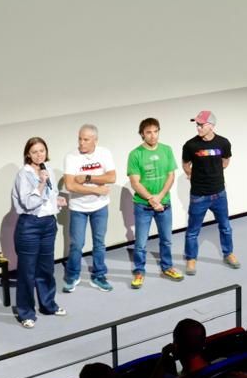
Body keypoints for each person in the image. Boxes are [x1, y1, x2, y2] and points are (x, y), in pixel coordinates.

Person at [12, 136, 67, 327]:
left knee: (46, 268)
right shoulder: (23, 174)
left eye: (42, 151)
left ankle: (48, 305)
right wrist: (41, 183)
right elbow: (28, 202)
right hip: (30, 226)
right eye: (34, 152)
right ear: (28, 154)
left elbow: (50, 195)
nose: (39, 155)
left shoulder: (48, 169)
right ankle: (26, 312)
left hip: (48, 224)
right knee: (27, 272)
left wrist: (57, 201)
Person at [127, 117, 184, 289]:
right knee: (141, 243)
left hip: (164, 204)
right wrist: (152, 200)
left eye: (155, 131)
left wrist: (159, 197)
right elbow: (135, 182)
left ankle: (167, 267)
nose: (152, 136)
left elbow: (171, 176)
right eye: (148, 132)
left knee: (166, 240)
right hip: (143, 206)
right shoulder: (135, 154)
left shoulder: (167, 150)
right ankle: (139, 271)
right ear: (142, 134)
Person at [182, 110, 239, 273]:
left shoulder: (223, 143)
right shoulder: (190, 145)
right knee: (193, 231)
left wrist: (214, 172)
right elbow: (186, 165)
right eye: (197, 124)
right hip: (199, 195)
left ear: (211, 125)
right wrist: (193, 176)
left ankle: (228, 254)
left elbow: (225, 161)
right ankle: (191, 259)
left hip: (219, 194)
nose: (198, 127)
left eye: (201, 124)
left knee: (225, 227)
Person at [61, 123, 116, 293]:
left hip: (100, 206)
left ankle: (98, 276)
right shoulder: (71, 157)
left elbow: (112, 177)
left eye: (86, 139)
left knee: (99, 243)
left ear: (95, 140)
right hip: (78, 208)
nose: (81, 143)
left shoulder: (104, 153)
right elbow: (70, 185)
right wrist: (96, 188)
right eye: (80, 138)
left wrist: (86, 177)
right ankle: (72, 275)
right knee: (77, 244)